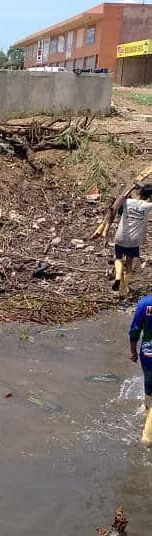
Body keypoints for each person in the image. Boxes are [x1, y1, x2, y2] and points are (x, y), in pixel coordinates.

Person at [112, 180, 152, 298]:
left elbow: (117, 204)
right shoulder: (147, 206)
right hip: (134, 240)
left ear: (139, 191)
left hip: (120, 237)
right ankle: (124, 289)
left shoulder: (128, 202)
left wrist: (131, 188)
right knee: (129, 262)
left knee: (118, 259)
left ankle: (118, 277)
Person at [129, 295, 152, 443]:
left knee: (149, 385)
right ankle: (147, 437)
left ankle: (146, 409)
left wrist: (133, 351)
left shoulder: (145, 303)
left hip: (148, 354)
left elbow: (135, 330)